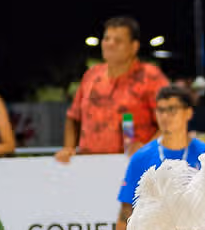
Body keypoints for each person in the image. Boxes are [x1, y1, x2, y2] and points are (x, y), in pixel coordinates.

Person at [114, 85, 205, 230]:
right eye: (160, 110)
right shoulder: (141, 158)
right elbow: (126, 211)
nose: (165, 116)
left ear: (188, 113)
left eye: (172, 110)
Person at [57, 16, 163, 160]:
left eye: (118, 41)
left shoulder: (150, 77)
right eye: (106, 39)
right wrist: (68, 148)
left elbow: (170, 125)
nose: (110, 44)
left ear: (134, 46)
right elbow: (73, 118)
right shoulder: (91, 76)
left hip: (135, 165)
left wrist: (147, 151)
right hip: (89, 166)